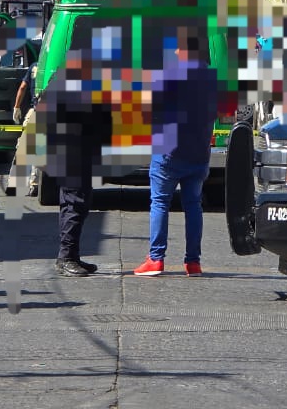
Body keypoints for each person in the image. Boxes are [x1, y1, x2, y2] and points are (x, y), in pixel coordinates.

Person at [133, 27, 218, 277]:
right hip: (199, 150)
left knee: (159, 202)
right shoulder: (210, 77)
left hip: (168, 149)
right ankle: (193, 262)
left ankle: (156, 259)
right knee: (193, 205)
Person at [41, 49, 113, 277]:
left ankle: (71, 255)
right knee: (75, 203)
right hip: (73, 152)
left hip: (69, 151)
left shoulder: (63, 79)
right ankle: (67, 257)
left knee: (74, 203)